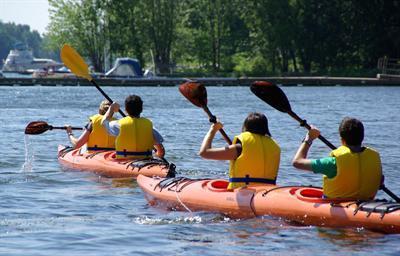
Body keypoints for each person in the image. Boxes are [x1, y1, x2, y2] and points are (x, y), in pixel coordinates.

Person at [292, 117, 382, 200]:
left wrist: (309, 139)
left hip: (337, 206)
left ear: (342, 140)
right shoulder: (374, 158)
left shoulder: (333, 163)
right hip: (367, 204)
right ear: (362, 138)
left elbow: (297, 162)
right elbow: (380, 181)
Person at [199, 112, 281, 190]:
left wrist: (213, 130)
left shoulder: (240, 147)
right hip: (268, 191)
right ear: (265, 128)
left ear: (245, 127)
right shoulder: (274, 146)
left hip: (243, 191)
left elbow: (204, 152)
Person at [101, 94, 165, 159]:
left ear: (126, 109)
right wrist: (155, 158)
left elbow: (103, 123)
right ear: (141, 109)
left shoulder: (119, 124)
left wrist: (111, 108)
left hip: (124, 160)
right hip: (146, 160)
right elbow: (161, 152)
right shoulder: (150, 126)